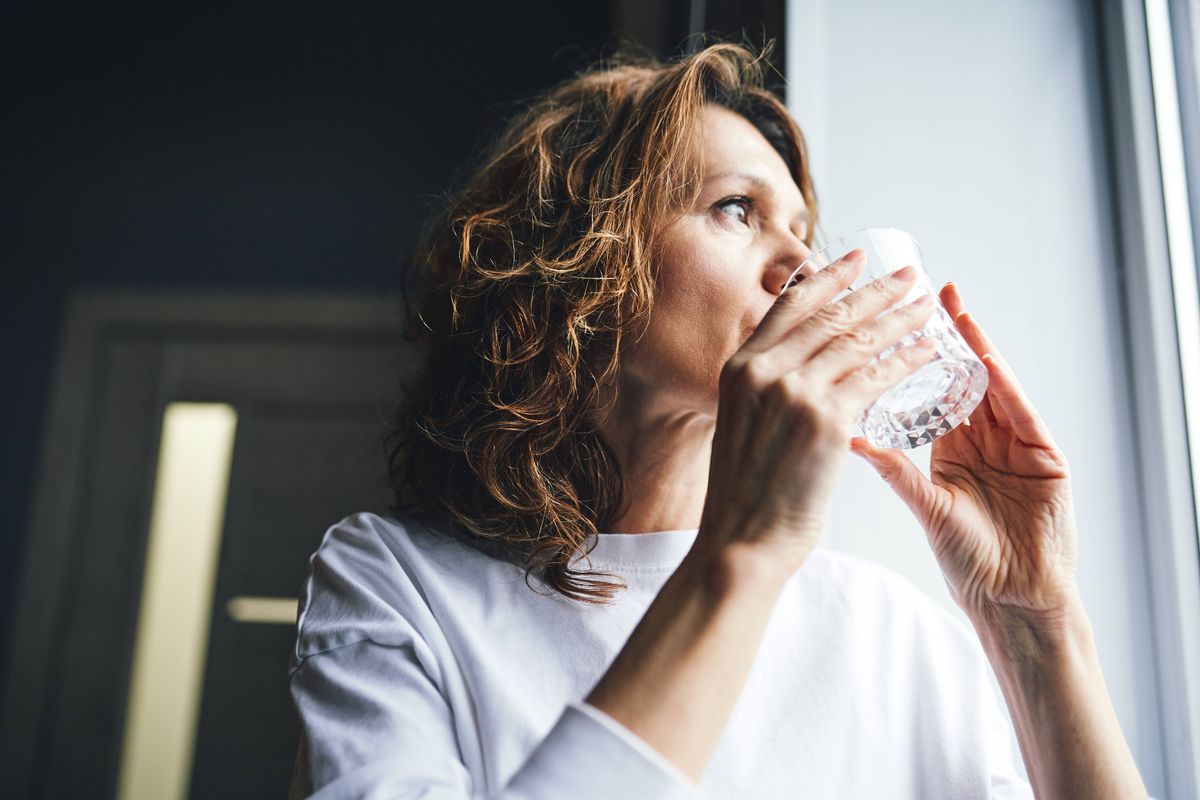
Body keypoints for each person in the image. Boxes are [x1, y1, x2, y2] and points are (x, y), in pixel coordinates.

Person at [286, 42, 1151, 798]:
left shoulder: (896, 633)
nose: (806, 265)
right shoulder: (397, 583)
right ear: (577, 266)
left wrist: (1034, 615)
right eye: (736, 209)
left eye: (805, 230)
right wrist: (745, 552)